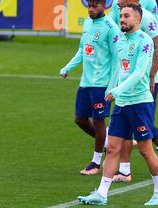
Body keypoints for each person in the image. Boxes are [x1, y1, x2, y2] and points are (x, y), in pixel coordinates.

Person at [78, 3, 158, 206]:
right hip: (122, 103)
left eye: (126, 16)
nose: (122, 19)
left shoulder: (144, 41)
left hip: (139, 103)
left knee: (145, 150)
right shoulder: (121, 40)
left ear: (137, 19)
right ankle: (101, 193)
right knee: (112, 149)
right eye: (121, 16)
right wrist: (111, 88)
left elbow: (139, 73)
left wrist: (117, 90)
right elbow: (118, 69)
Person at [109, 0, 158, 183]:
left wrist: (151, 76)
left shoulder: (145, 17)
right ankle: (125, 171)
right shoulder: (120, 15)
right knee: (124, 128)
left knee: (145, 128)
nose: (117, 2)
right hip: (124, 84)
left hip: (144, 82)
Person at [60, 0, 121, 175]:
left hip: (101, 85)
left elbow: (117, 60)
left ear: (105, 6)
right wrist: (68, 67)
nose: (91, 10)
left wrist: (111, 87)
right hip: (85, 83)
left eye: (95, 6)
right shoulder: (87, 23)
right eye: (89, 6)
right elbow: (83, 50)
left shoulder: (111, 28)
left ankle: (95, 163)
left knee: (98, 121)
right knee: (79, 119)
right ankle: (108, 142)